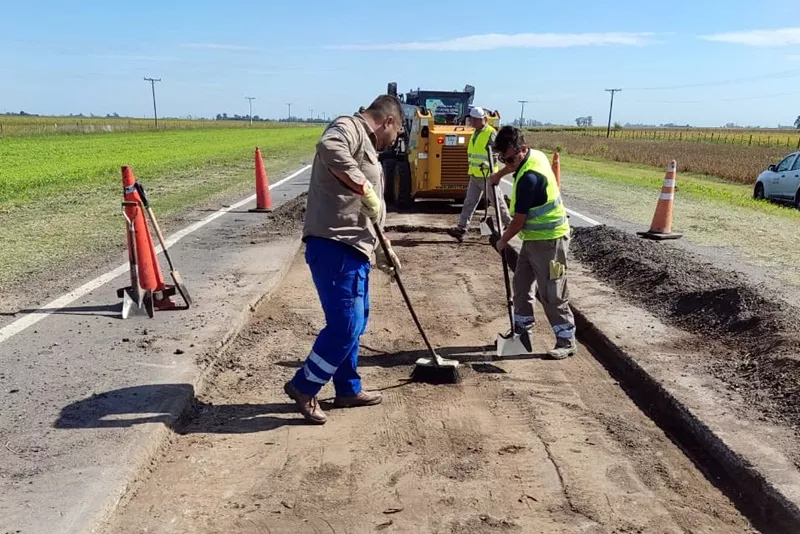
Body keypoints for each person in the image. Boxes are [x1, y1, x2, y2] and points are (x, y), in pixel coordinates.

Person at [283, 94, 404, 424]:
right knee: (344, 325)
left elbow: (370, 210)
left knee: (356, 322)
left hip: (356, 248)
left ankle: (348, 388)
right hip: (335, 245)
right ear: (388, 122)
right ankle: (304, 386)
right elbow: (329, 147)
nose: (394, 142)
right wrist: (364, 187)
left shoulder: (366, 143)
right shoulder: (348, 127)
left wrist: (385, 248)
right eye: (397, 134)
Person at [491, 126, 576, 360]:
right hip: (533, 240)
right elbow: (514, 164)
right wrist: (500, 174)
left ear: (523, 150)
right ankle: (522, 332)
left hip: (551, 241)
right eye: (503, 159)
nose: (509, 163)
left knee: (552, 292)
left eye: (510, 159)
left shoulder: (530, 178)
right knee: (521, 285)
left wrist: (502, 241)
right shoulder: (533, 155)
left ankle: (566, 339)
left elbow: (518, 222)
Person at [447, 106, 512, 242]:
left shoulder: (490, 133)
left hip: (487, 175)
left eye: (473, 120)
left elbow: (498, 151)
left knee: (497, 201)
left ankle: (509, 225)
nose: (471, 122)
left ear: (481, 119)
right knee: (469, 202)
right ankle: (461, 229)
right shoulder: (475, 132)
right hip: (475, 175)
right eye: (470, 119)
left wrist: (491, 162)